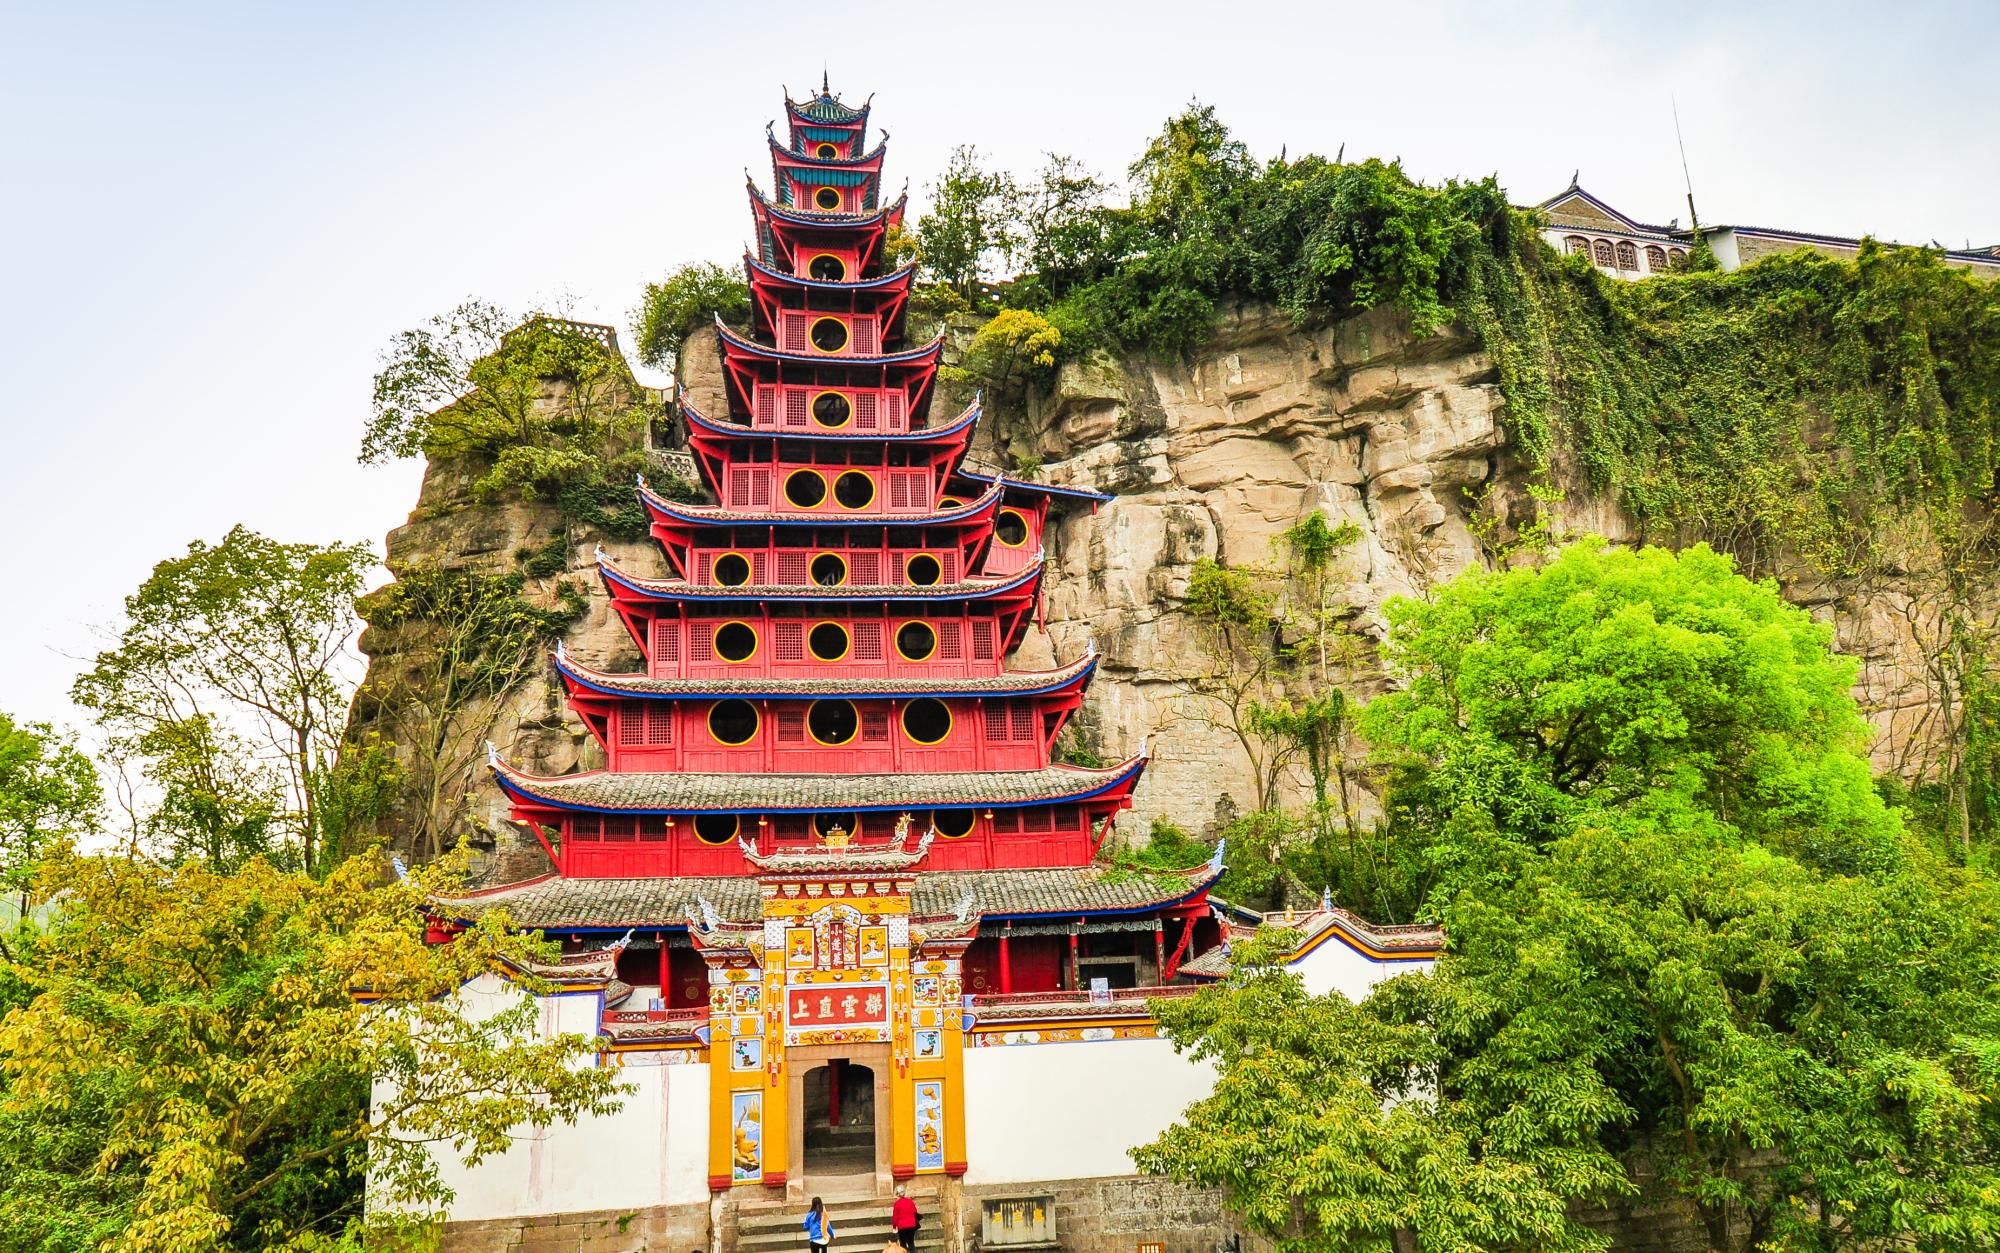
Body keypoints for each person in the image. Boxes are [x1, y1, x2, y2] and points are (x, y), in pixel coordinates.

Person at [891, 1184, 919, 1252]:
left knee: (903, 1244)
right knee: (911, 1243)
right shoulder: (910, 1201)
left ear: (897, 1194)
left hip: (902, 1227)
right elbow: (915, 1211)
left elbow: (895, 1218)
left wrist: (894, 1227)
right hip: (912, 1225)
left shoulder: (897, 1204)